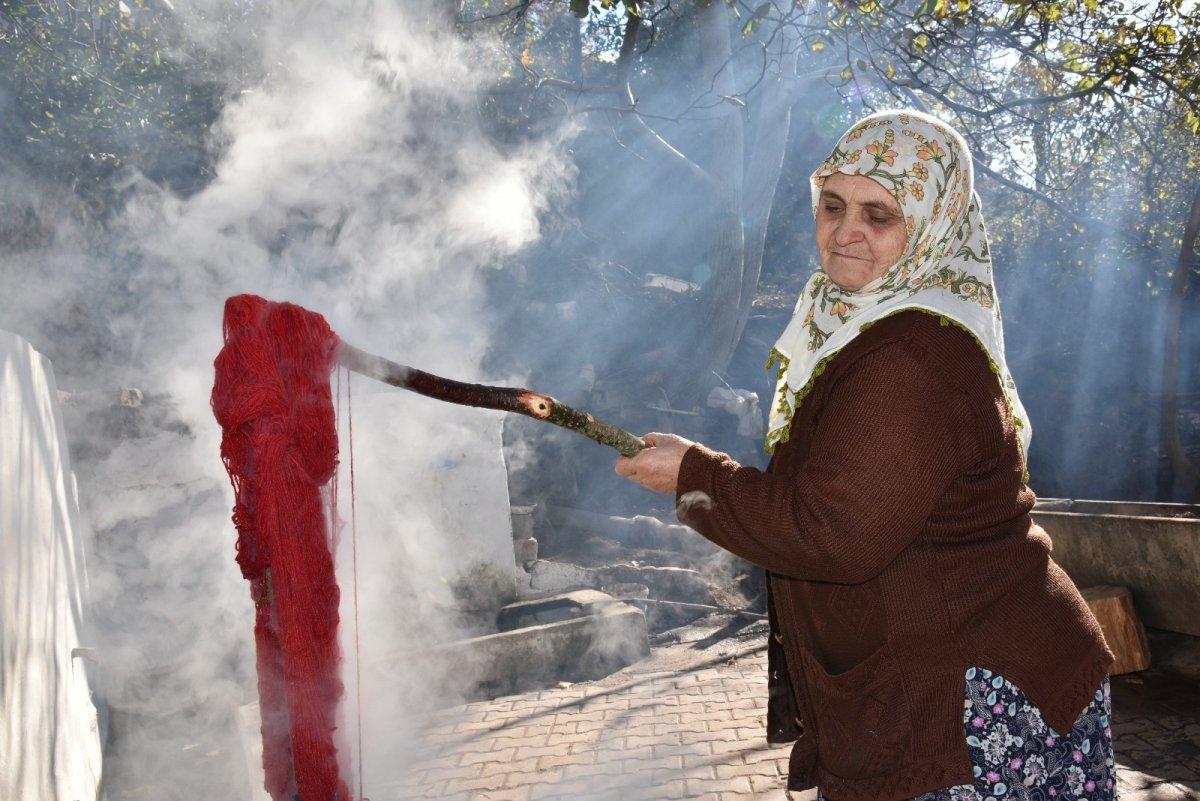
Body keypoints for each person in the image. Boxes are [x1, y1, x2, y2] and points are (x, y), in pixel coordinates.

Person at [614, 108, 1117, 801]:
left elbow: (838, 530)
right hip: (941, 675)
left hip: (974, 704)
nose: (846, 230)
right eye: (833, 205)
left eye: (879, 213)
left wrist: (695, 477)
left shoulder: (914, 357)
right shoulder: (853, 322)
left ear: (930, 222)